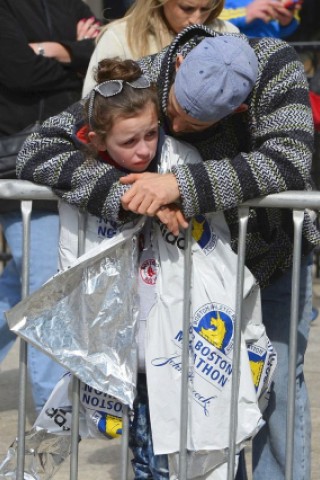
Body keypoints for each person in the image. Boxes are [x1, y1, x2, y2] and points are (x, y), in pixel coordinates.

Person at [16, 26, 320, 479]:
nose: (173, 131)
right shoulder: (144, 78)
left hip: (271, 258)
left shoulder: (277, 68)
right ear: (178, 68)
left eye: (194, 127)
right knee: (204, 400)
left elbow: (290, 160)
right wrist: (122, 195)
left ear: (238, 107)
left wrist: (179, 186)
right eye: (172, 114)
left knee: (270, 388)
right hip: (187, 271)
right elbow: (39, 149)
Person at [0, 0, 100, 413]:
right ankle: (52, 413)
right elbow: (18, 72)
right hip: (17, 168)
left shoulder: (70, 3)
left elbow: (102, 59)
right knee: (45, 295)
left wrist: (55, 50)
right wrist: (72, 56)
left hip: (71, 167)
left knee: (18, 290)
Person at [82, 0, 239, 96]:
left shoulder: (227, 33)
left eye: (205, 9)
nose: (196, 20)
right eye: (187, 8)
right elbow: (92, 106)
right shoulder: (119, 37)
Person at [219, 0, 301, 38]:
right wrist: (244, 13)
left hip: (269, 57)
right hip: (229, 57)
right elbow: (208, 17)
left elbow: (294, 20)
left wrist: (288, 22)